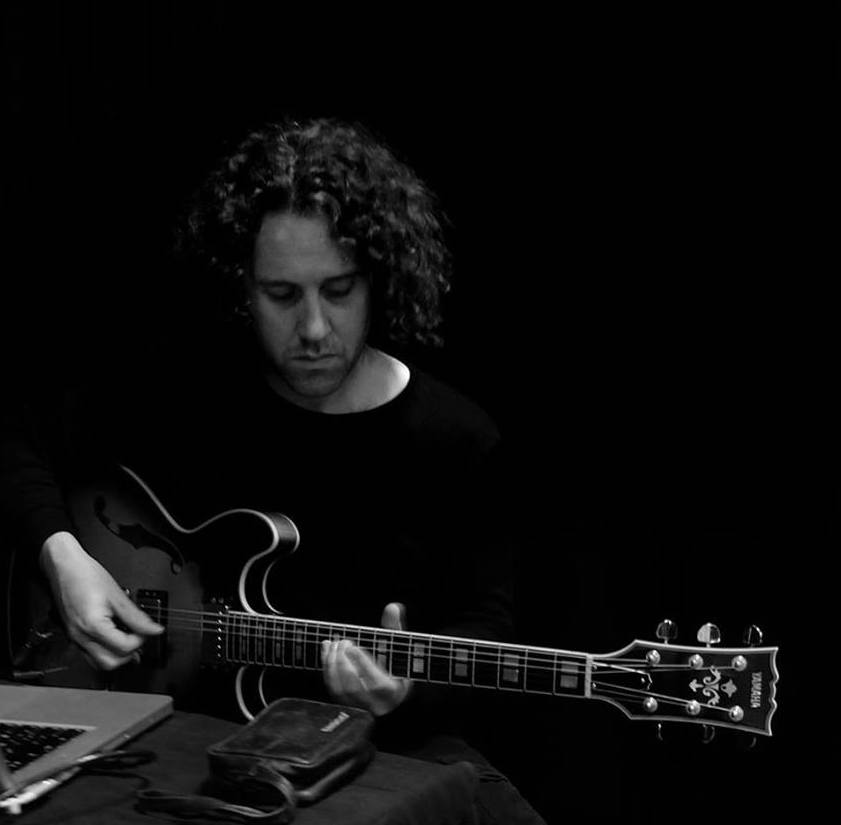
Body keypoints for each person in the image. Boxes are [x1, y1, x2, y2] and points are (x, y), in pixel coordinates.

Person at [0, 118, 545, 823]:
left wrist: (407, 690)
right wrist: (63, 559)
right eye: (282, 296)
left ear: (379, 281)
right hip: (179, 737)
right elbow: (18, 436)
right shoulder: (191, 387)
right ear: (242, 289)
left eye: (339, 290)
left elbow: (487, 629)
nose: (313, 329)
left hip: (373, 750)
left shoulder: (456, 438)